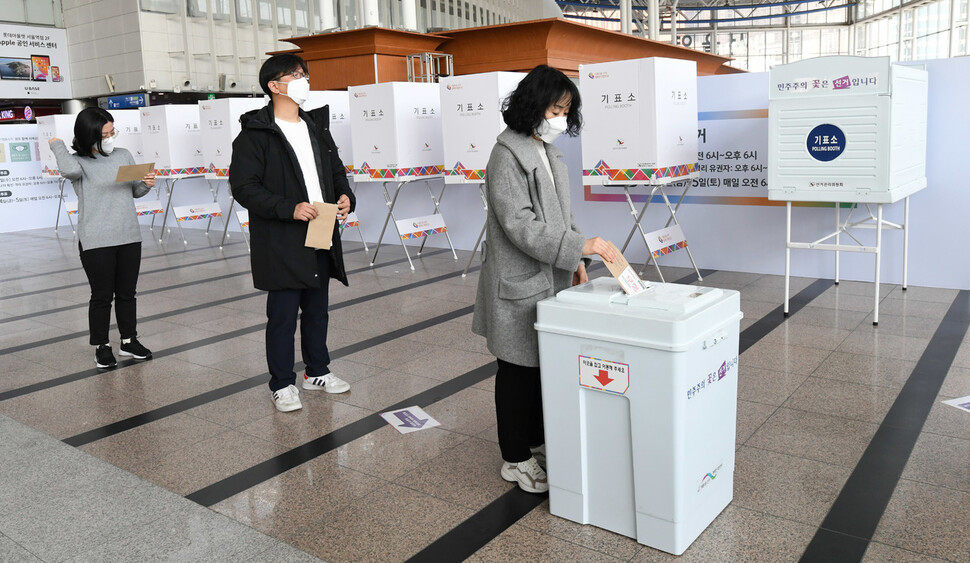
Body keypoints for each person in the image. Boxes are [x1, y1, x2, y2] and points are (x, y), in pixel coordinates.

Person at [472, 65, 618, 494]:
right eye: (555, 108)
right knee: (516, 372)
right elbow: (519, 225)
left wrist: (576, 256)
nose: (559, 117)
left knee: (540, 368)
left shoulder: (548, 152)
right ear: (533, 105)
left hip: (550, 276)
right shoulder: (506, 155)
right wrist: (579, 246)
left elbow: (562, 217)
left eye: (565, 110)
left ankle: (535, 443)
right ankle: (514, 458)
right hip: (518, 283)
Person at [230, 54, 355, 413]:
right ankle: (282, 383)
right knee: (283, 314)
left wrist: (346, 196)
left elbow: (335, 172)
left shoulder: (315, 126)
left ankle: (317, 371)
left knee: (318, 309)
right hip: (282, 235)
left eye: (305, 74)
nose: (304, 80)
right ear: (274, 86)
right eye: (295, 75)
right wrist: (290, 207)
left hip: (321, 224)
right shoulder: (255, 134)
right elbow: (245, 188)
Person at [49, 107, 156, 369]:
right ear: (89, 135)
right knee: (101, 295)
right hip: (96, 239)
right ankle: (102, 345)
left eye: (112, 132)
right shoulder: (78, 163)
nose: (110, 138)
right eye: (104, 134)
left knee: (127, 294)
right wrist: (57, 145)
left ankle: (129, 340)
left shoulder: (123, 155)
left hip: (129, 235)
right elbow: (69, 172)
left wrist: (147, 184)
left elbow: (133, 192)